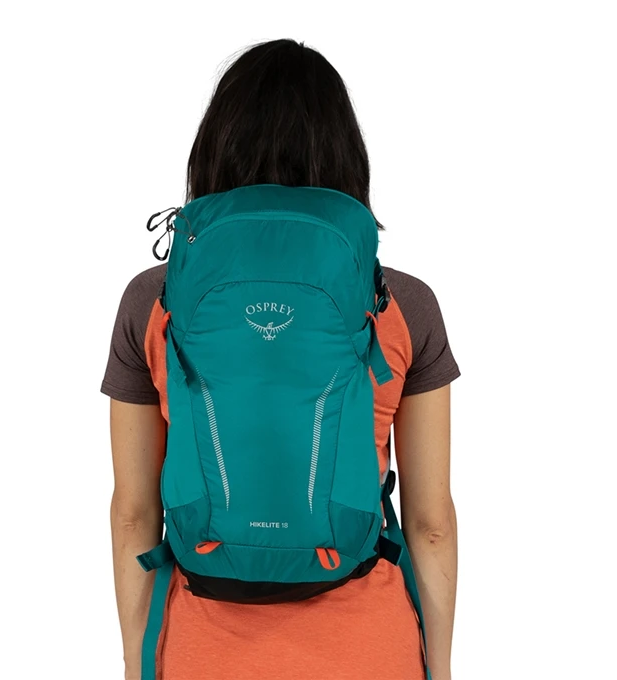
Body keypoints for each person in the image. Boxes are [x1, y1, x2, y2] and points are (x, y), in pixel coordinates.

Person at [101, 38, 460, 680]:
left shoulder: (153, 302)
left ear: (214, 151)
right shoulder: (402, 303)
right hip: (369, 652)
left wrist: (138, 664)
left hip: (200, 653)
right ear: (347, 157)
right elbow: (431, 525)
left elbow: (134, 515)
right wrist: (441, 668)